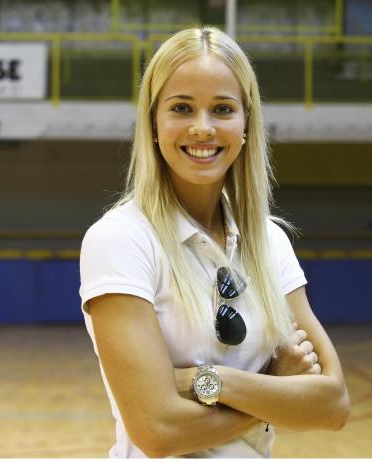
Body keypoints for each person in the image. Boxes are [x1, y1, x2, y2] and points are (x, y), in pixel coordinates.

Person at [79, 26, 349, 458]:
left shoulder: (271, 242)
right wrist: (274, 387)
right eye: (182, 108)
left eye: (222, 109)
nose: (202, 128)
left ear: (246, 124)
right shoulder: (120, 239)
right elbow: (157, 430)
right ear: (153, 123)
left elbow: (332, 404)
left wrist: (208, 382)